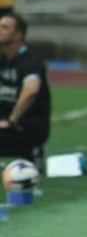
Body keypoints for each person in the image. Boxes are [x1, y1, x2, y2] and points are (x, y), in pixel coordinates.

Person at [0, 13, 51, 172]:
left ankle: (34, 152)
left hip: (26, 125)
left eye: (4, 28)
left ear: (18, 35)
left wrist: (11, 120)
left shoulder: (30, 61)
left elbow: (31, 91)